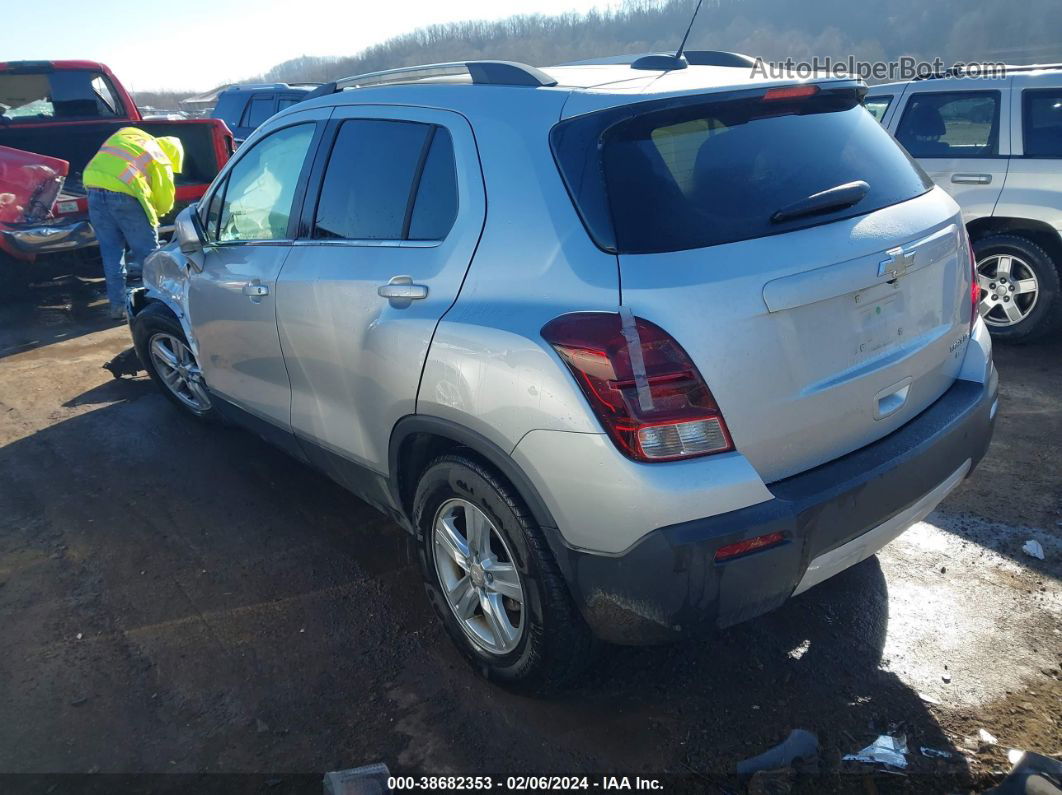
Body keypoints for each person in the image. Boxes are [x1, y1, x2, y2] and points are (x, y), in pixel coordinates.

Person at [83, 128, 184, 319]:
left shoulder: (130, 137)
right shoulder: (159, 156)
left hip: (93, 187)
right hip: (124, 196)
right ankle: (160, 304)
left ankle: (117, 308)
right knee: (148, 255)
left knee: (111, 252)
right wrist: (156, 215)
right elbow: (164, 198)